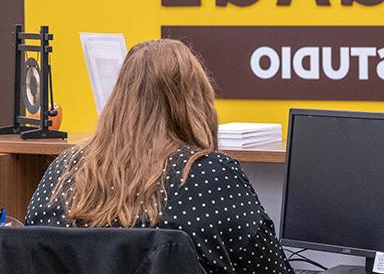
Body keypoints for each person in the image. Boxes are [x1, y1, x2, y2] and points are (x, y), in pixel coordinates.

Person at [25, 39, 293, 274]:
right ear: (194, 103)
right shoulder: (210, 175)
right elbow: (267, 267)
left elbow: (29, 255)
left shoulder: (62, 171)